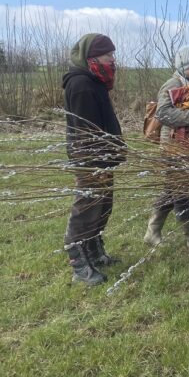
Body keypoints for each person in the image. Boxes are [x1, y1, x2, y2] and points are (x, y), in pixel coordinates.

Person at [62, 33, 126, 286]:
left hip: (104, 156)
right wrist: (97, 161)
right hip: (90, 158)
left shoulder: (95, 81)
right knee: (86, 208)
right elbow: (84, 129)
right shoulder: (80, 84)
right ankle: (79, 264)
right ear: (91, 58)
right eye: (107, 55)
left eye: (112, 54)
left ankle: (94, 251)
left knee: (102, 206)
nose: (112, 60)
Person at [144, 44, 189, 250]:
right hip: (174, 148)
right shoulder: (172, 85)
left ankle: (152, 230)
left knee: (172, 189)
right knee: (183, 192)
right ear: (185, 66)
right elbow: (163, 114)